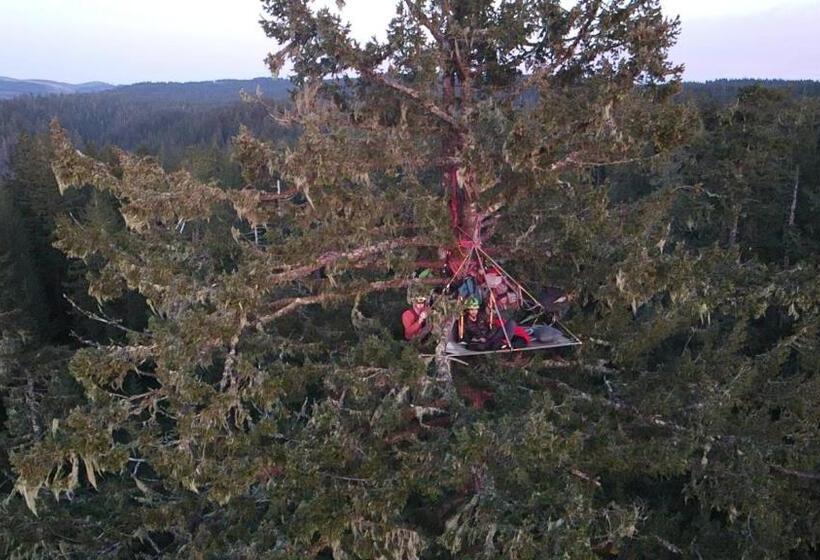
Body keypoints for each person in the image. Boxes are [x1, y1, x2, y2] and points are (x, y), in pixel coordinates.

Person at [458, 297, 527, 351]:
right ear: (468, 310)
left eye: (475, 309)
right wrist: (479, 338)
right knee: (486, 346)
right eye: (471, 309)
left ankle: (505, 343)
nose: (474, 311)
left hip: (491, 336)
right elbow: (467, 337)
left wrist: (492, 331)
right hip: (483, 342)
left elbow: (491, 325)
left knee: (511, 323)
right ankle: (501, 345)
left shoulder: (481, 316)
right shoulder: (465, 322)